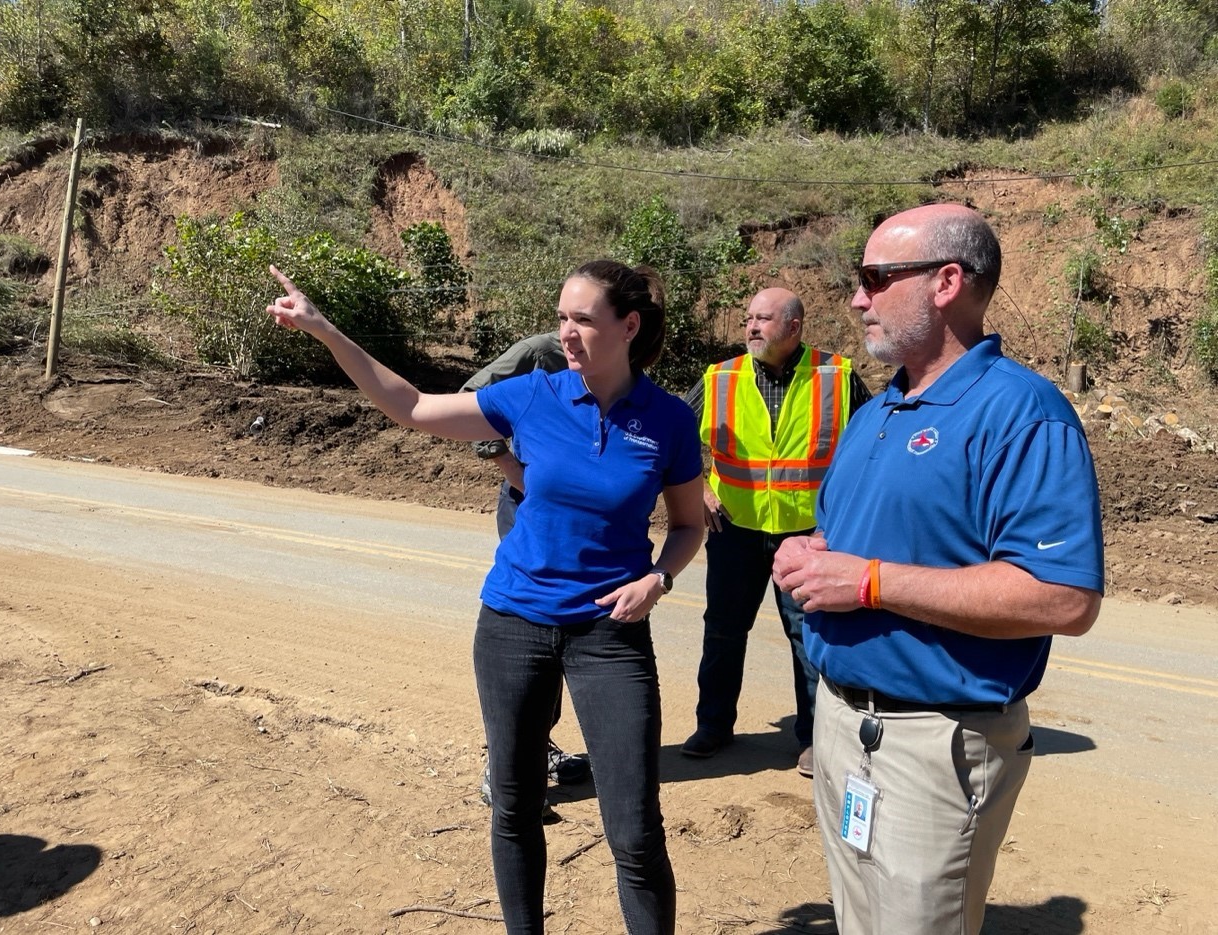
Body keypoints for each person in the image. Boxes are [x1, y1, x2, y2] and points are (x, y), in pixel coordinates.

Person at [267, 259, 705, 935]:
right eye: (561, 317)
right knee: (515, 805)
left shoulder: (668, 420)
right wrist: (326, 331)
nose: (566, 332)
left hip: (610, 635)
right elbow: (409, 404)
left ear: (629, 325)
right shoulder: (532, 395)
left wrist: (660, 577)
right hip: (513, 625)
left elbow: (686, 523)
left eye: (582, 319)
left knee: (636, 829)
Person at [772, 204, 1104, 935]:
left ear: (947, 281)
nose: (857, 298)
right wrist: (812, 548)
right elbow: (849, 532)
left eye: (874, 278)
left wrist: (867, 582)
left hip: (933, 743)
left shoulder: (1022, 413)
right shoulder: (878, 410)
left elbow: (1062, 597)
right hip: (841, 722)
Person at [679, 288, 870, 779]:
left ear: (794, 327)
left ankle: (812, 740)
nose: (751, 327)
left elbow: (872, 446)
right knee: (723, 631)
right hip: (735, 528)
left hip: (807, 535)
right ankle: (713, 726)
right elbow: (672, 438)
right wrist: (697, 489)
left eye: (763, 319)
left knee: (809, 638)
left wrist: (845, 517)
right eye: (748, 319)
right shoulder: (720, 377)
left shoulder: (837, 375)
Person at [459, 334, 591, 809]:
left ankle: (537, 747)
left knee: (565, 634)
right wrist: (509, 465)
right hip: (530, 507)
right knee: (528, 630)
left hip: (583, 518)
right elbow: (471, 396)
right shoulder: (544, 352)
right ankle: (505, 765)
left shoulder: (625, 367)